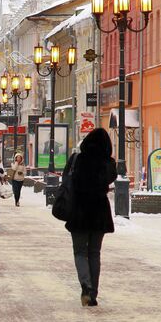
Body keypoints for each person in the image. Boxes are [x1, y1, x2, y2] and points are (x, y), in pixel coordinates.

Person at [64, 128, 117, 307]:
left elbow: (66, 180)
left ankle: (85, 285)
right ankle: (93, 293)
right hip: (99, 212)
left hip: (79, 211)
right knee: (95, 253)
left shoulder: (77, 159)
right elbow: (112, 177)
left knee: (80, 252)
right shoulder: (108, 163)